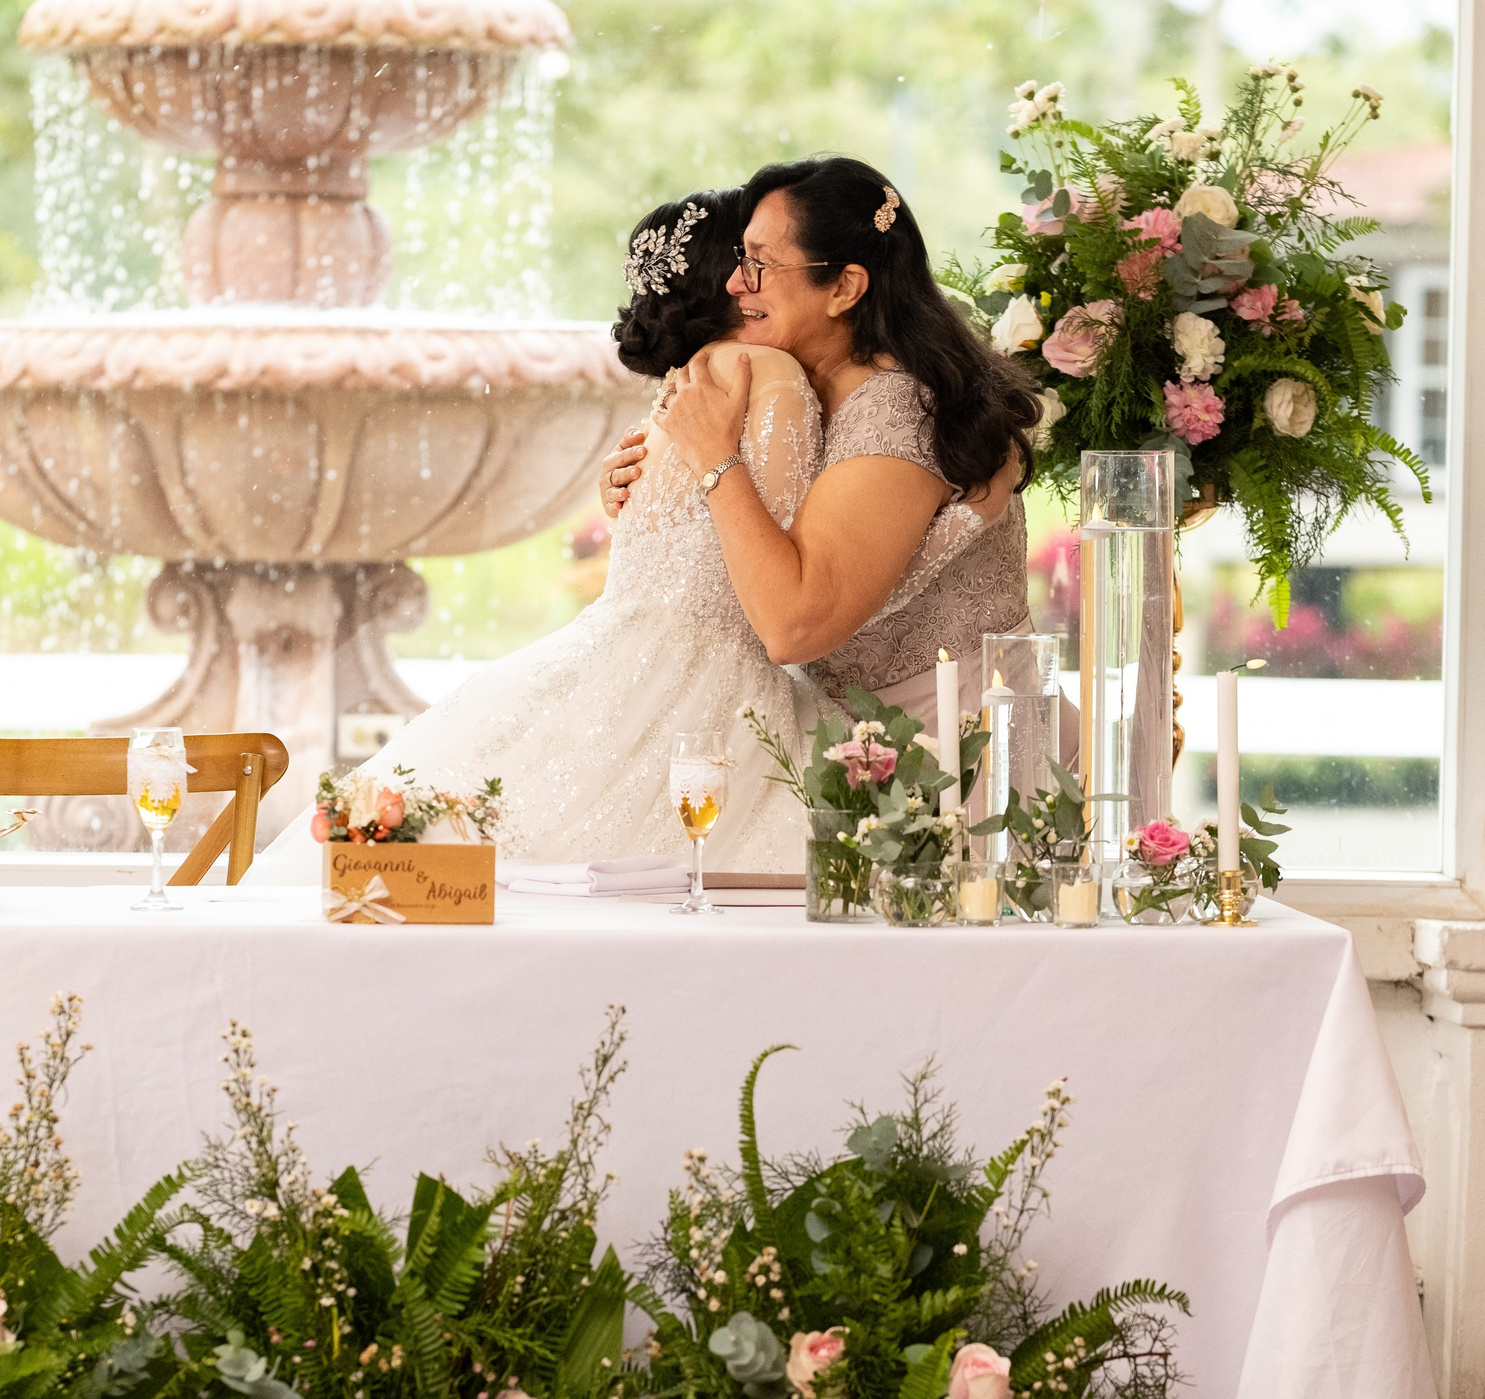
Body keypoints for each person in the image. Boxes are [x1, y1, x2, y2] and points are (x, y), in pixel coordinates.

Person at [246, 186, 822, 879]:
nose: (758, 276)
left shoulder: (684, 383)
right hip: (705, 682)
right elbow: (789, 541)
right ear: (724, 274)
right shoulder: (768, 372)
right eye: (752, 258)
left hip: (623, 655)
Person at [602, 155, 1042, 731]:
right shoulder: (783, 386)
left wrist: (715, 461)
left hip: (967, 753)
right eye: (740, 258)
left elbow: (792, 627)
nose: (735, 284)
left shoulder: (899, 410)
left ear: (844, 288)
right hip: (848, 748)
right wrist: (644, 492)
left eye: (759, 263)